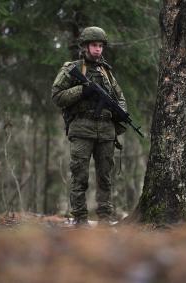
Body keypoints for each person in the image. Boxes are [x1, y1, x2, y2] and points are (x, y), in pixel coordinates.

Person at [51, 26, 127, 226]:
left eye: (101, 46)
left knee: (105, 177)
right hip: (82, 129)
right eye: (94, 45)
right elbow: (57, 96)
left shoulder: (107, 72)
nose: (98, 49)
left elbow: (120, 98)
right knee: (80, 176)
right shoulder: (71, 70)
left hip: (105, 130)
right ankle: (80, 219)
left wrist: (121, 113)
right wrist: (81, 91)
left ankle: (104, 219)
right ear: (84, 47)